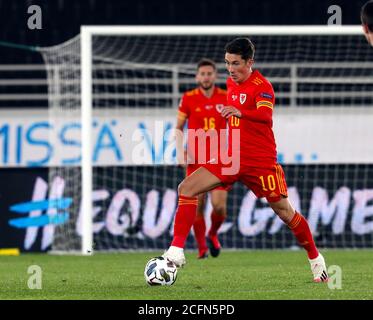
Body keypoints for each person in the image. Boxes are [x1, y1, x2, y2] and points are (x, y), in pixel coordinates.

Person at [164, 37, 329, 283]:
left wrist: (240, 112)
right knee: (186, 188)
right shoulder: (231, 85)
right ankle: (176, 251)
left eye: (236, 63)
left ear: (250, 62)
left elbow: (264, 116)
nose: (231, 69)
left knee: (285, 212)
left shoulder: (262, 86)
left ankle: (317, 260)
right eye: (227, 63)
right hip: (231, 157)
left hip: (261, 161)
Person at [176, 58, 229, 259]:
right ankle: (202, 249)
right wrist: (181, 152)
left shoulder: (225, 96)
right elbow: (179, 128)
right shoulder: (188, 98)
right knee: (196, 206)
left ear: (214, 76)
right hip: (196, 159)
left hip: (220, 160)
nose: (206, 77)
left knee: (219, 206)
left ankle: (213, 234)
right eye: (203, 74)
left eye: (209, 73)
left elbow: (235, 125)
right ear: (197, 77)